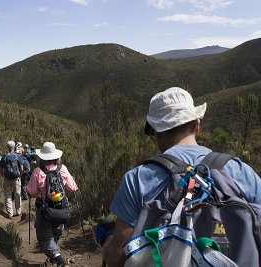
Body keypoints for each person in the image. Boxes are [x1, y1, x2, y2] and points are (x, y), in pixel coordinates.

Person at [102, 87, 261, 267]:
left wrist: (107, 241)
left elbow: (117, 258)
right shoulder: (241, 171)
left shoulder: (136, 180)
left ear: (156, 132)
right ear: (197, 126)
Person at [26, 142, 78, 267]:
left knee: (44, 239)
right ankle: (54, 259)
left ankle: (59, 260)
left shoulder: (38, 171)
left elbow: (32, 191)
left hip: (45, 212)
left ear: (42, 157)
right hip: (61, 210)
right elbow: (73, 188)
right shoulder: (63, 169)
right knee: (55, 236)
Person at [0, 140, 24, 219]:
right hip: (16, 178)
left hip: (7, 178)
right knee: (17, 194)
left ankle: (10, 214)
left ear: (7, 147)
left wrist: (3, 176)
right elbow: (22, 168)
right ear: (14, 147)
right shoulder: (17, 156)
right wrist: (20, 175)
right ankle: (18, 211)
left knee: (8, 196)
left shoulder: (4, 156)